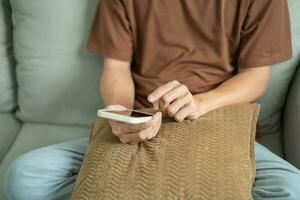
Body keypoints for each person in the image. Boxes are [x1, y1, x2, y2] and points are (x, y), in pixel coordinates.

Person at [5, 0, 300, 199]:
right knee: (25, 174)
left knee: (291, 188)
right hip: (146, 121)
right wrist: (123, 115)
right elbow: (116, 69)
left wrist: (200, 103)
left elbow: (255, 78)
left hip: (218, 118)